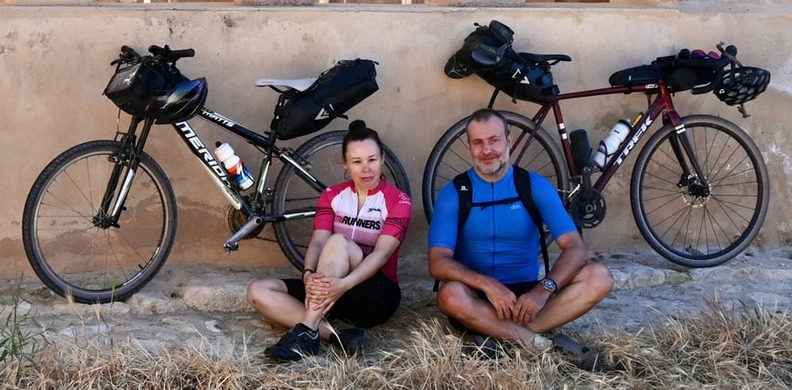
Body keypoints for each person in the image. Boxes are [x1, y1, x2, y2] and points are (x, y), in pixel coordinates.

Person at [427, 108, 614, 370]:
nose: (487, 150)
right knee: (449, 296)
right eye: (478, 143)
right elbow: (438, 263)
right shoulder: (455, 192)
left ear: (509, 141)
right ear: (469, 147)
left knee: (600, 277)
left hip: (529, 297)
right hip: (477, 297)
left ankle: (496, 334)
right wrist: (488, 284)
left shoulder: (533, 185)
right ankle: (542, 346)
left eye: (494, 140)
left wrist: (543, 289)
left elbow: (575, 248)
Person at [247, 120, 412, 362]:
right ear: (344, 163)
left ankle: (306, 330)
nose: (366, 168)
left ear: (383, 158)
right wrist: (308, 275)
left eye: (372, 159)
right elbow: (316, 243)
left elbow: (381, 255)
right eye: (357, 162)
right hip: (331, 292)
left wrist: (343, 285)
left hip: (375, 295)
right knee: (258, 290)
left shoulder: (399, 200)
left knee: (338, 242)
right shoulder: (332, 196)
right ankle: (337, 336)